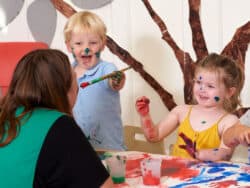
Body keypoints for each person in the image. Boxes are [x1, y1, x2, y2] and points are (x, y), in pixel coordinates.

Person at [0, 49, 113, 188]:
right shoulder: (59, 126)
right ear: (62, 87)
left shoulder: (5, 116)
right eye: (73, 76)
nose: (77, 79)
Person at [135, 53, 244, 161]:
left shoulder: (229, 121)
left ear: (229, 92)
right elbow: (154, 136)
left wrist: (199, 154)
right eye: (198, 82)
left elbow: (225, 153)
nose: (202, 89)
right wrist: (145, 116)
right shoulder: (181, 111)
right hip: (177, 176)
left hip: (208, 177)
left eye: (210, 86)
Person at [64, 11, 126, 151]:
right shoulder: (67, 74)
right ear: (69, 46)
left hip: (109, 149)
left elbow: (115, 81)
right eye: (78, 43)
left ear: (103, 45)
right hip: (79, 149)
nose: (86, 48)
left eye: (93, 43)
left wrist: (117, 79)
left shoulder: (106, 69)